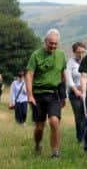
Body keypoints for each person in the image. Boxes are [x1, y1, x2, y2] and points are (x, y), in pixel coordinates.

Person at [26, 28, 67, 159]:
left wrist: (63, 95)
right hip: (38, 94)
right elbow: (29, 75)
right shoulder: (36, 55)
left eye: (55, 44)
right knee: (39, 127)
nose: (53, 46)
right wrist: (30, 95)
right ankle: (38, 144)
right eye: (51, 43)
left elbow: (62, 75)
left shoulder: (61, 55)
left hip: (54, 94)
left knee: (54, 121)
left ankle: (55, 153)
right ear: (45, 41)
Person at [66, 41, 87, 143]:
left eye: (83, 52)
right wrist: (75, 90)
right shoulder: (71, 63)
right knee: (79, 116)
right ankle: (81, 138)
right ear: (74, 52)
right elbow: (69, 78)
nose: (81, 54)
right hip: (75, 92)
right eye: (78, 52)